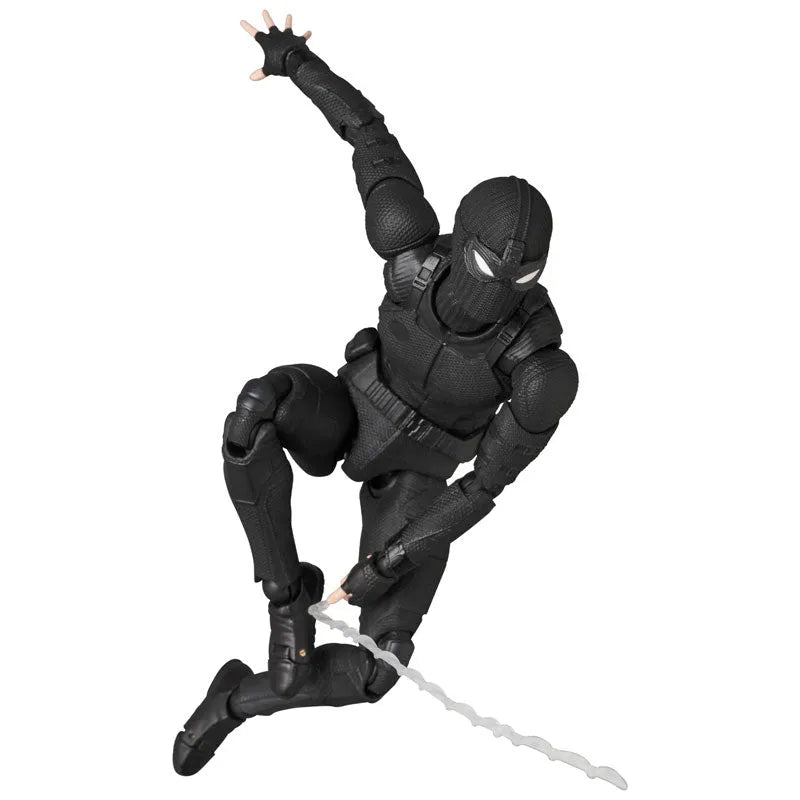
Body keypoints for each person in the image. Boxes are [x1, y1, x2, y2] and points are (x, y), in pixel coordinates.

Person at [173, 10, 579, 776]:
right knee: (255, 412)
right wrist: (296, 63)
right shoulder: (410, 254)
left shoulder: (540, 366)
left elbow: (483, 488)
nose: (503, 287)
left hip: (422, 478)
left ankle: (239, 700)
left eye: (524, 275)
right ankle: (285, 599)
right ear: (461, 244)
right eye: (489, 266)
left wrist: (385, 563)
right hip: (354, 408)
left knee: (377, 666)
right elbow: (368, 137)